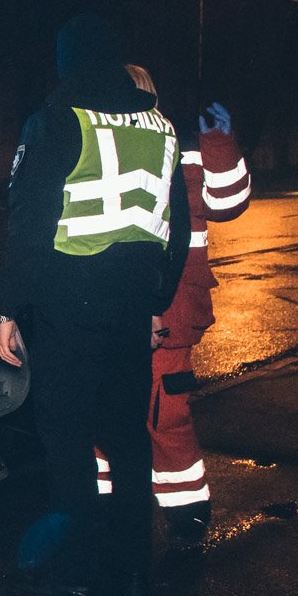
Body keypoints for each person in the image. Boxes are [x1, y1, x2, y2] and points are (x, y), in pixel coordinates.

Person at [0, 14, 189, 596]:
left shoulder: (56, 120)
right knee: (129, 438)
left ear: (66, 61)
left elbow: (30, 224)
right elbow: (176, 229)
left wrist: (7, 308)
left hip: (67, 308)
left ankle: (75, 576)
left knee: (68, 440)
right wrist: (155, 302)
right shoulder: (161, 129)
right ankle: (132, 573)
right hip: (130, 307)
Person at [95, 65, 252, 555]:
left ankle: (184, 508)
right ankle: (111, 501)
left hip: (172, 309)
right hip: (117, 307)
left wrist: (221, 142)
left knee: (164, 411)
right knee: (109, 408)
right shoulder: (98, 143)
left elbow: (230, 202)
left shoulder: (184, 146)